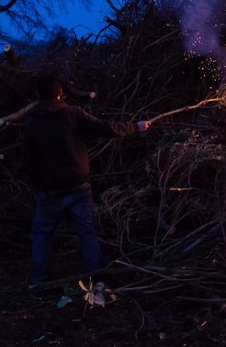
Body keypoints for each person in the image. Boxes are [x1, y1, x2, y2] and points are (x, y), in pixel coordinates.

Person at [21, 74, 148, 286]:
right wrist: (136, 126)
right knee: (86, 232)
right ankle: (96, 279)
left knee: (41, 234)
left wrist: (39, 187)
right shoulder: (72, 114)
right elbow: (106, 128)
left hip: (51, 190)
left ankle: (38, 281)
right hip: (78, 184)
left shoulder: (32, 124)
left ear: (38, 97)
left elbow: (28, 163)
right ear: (59, 94)